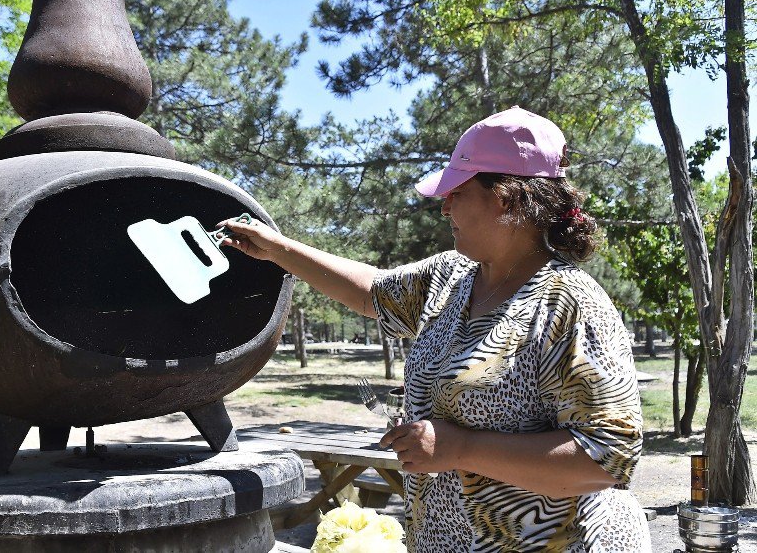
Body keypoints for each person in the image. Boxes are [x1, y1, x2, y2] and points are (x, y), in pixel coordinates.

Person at [220, 106, 649, 551]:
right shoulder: (453, 275)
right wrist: (278, 250)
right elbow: (372, 292)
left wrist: (460, 448)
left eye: (456, 193)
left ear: (505, 197)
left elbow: (604, 461)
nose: (444, 207)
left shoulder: (569, 303)